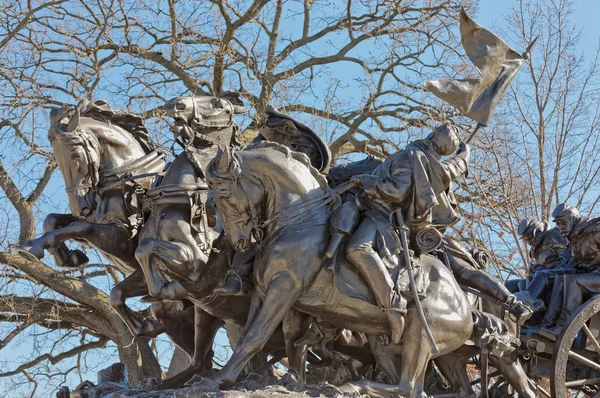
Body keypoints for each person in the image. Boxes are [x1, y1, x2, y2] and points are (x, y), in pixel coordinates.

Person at [346, 124, 471, 344]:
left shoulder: (412, 156)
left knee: (358, 248)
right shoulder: (427, 162)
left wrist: (370, 182)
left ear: (431, 136)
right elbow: (454, 167)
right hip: (365, 207)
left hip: (381, 216)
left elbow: (397, 191)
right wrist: (464, 154)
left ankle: (393, 305)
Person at [540, 204, 600, 336]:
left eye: (563, 223)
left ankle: (563, 328)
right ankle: (547, 323)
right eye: (558, 224)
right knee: (562, 278)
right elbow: (574, 264)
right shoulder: (575, 239)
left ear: (573, 219)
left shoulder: (595, 229)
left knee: (573, 281)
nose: (560, 228)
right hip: (592, 276)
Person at [517, 218, 569, 304]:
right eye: (526, 239)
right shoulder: (535, 250)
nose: (529, 242)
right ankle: (511, 306)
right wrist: (536, 268)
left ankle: (525, 304)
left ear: (538, 232)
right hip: (547, 274)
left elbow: (568, 258)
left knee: (541, 275)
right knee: (519, 283)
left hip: (564, 272)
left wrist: (545, 269)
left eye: (530, 237)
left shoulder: (554, 234)